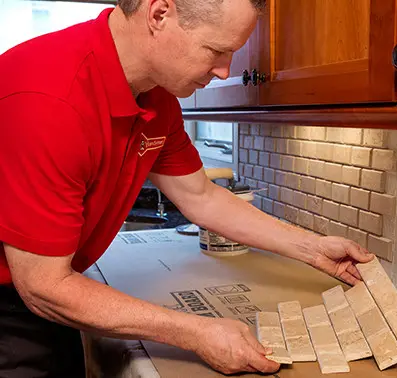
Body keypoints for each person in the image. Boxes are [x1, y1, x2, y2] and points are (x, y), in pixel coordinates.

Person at [0, 0, 375, 376]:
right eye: (216, 50)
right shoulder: (50, 100)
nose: (225, 70)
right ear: (159, 14)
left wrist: (314, 248)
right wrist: (196, 333)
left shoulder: (156, 94)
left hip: (49, 293)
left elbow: (201, 195)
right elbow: (43, 286)